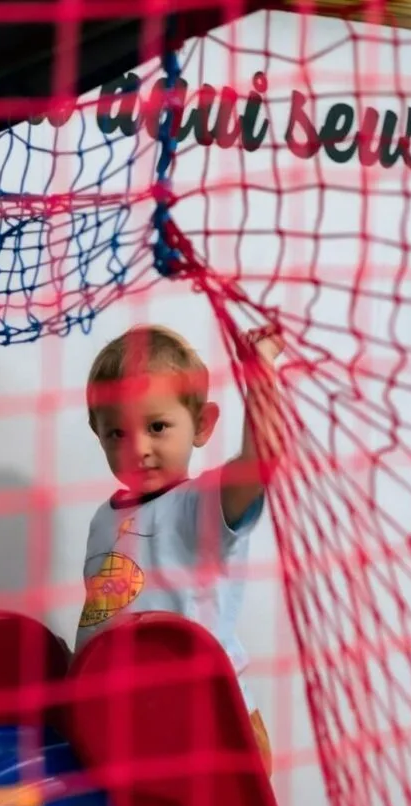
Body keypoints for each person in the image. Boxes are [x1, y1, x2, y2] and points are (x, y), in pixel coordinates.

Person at [77, 322, 284, 774]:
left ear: (202, 425)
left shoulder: (198, 505)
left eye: (157, 427)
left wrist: (261, 371)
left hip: (211, 728)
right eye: (117, 433)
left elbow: (259, 462)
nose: (138, 448)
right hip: (130, 729)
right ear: (98, 432)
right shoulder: (102, 520)